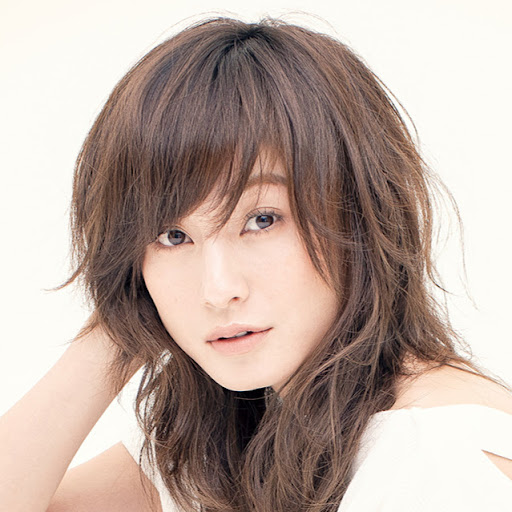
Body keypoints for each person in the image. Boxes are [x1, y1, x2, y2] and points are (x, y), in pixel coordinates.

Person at [1, 16, 511, 512]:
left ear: (362, 212)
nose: (218, 289)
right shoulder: (244, 429)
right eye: (173, 235)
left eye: (262, 220)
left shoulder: (433, 460)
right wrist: (121, 316)